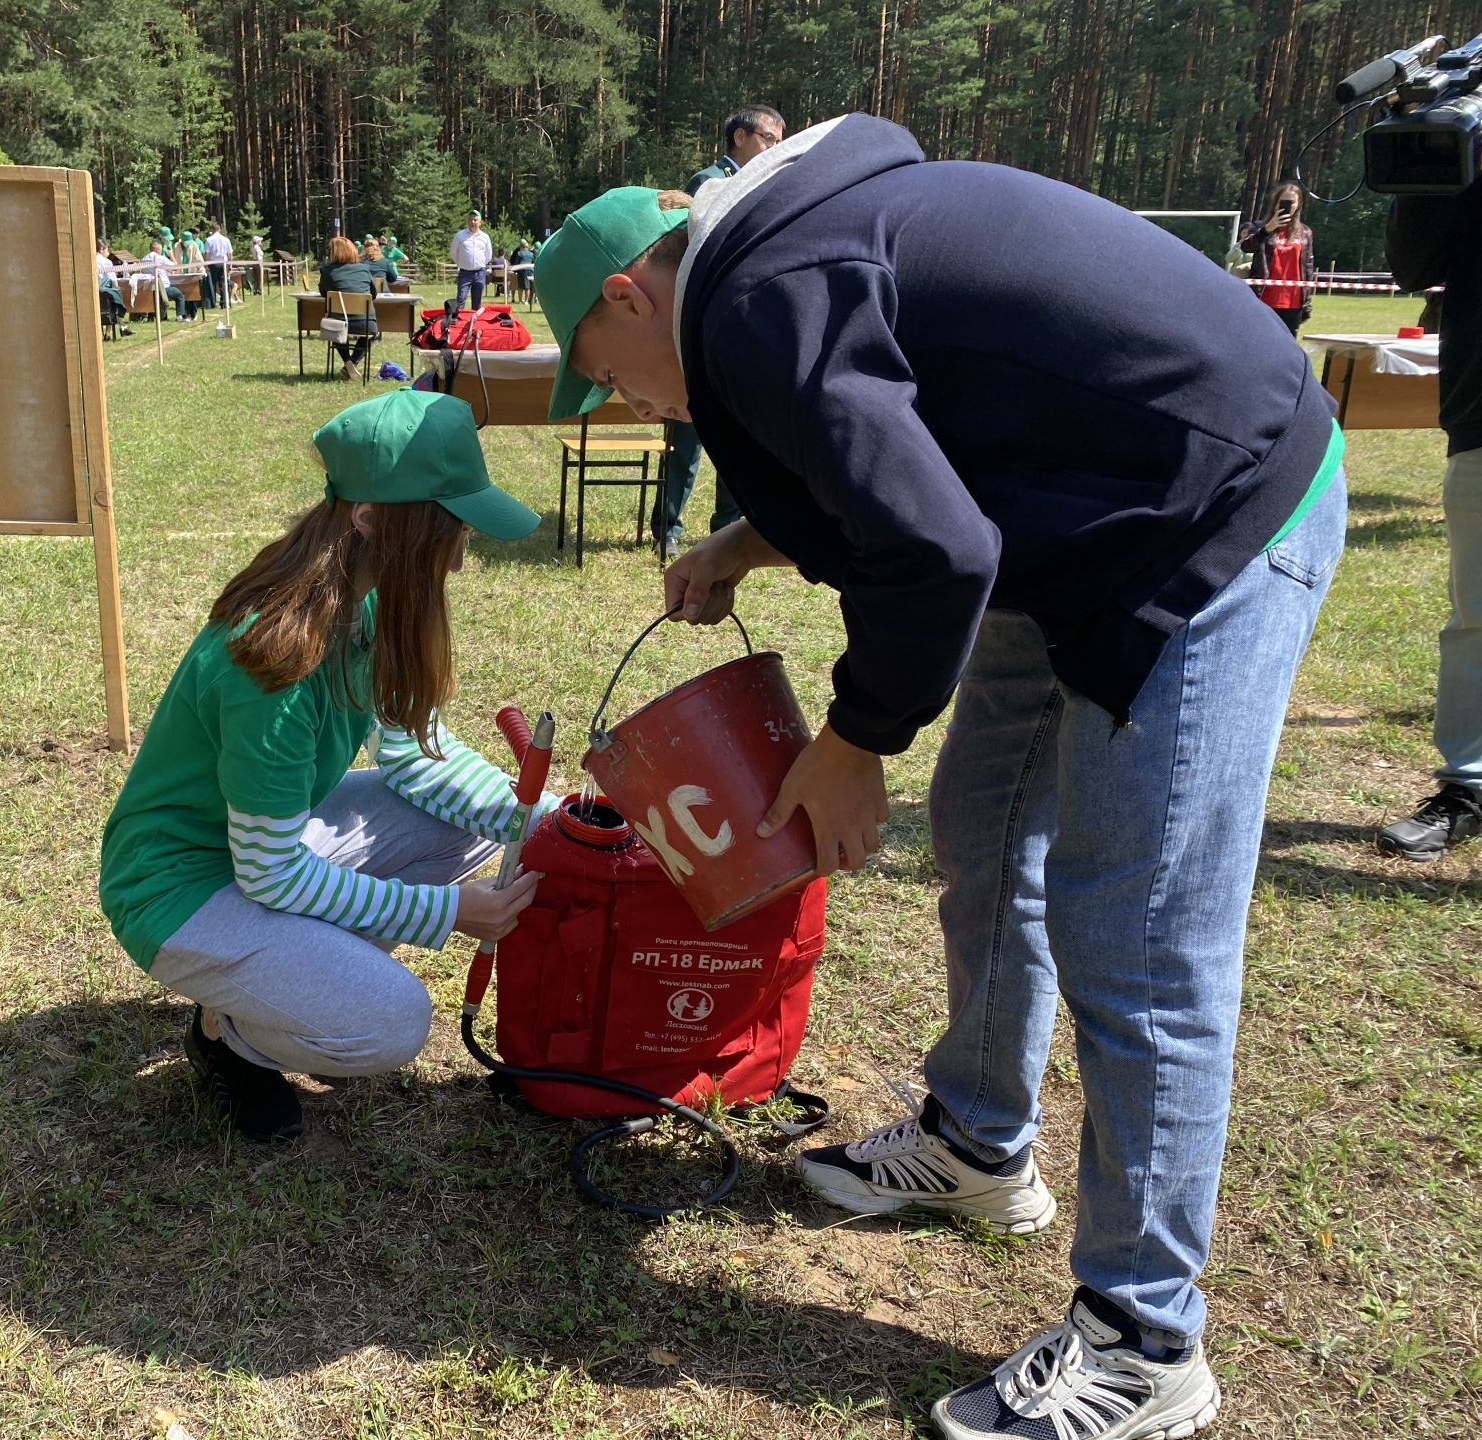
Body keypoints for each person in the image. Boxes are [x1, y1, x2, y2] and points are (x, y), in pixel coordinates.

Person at [535, 115, 1345, 1440]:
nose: (627, 405)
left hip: (1209, 507)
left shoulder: (752, 305)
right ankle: (979, 1147)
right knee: (984, 832)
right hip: (1079, 521)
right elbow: (903, 431)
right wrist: (749, 538)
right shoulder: (779, 256)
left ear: (632, 294)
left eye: (607, 376)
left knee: (1135, 935)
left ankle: (1146, 1341)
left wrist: (852, 747)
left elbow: (933, 551)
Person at [100, 389, 543, 1142]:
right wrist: (448, 913)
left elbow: (416, 755)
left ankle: (296, 985)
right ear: (370, 519)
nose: (464, 549)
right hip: (179, 888)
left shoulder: (367, 602)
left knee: (474, 821)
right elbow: (270, 874)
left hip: (260, 852)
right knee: (392, 1023)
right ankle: (227, 1037)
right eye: (450, 524)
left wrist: (548, 818)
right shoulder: (273, 659)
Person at [1377, 178, 1482, 859]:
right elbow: (1414, 265)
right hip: (1481, 421)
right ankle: (1468, 788)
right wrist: (1427, 164)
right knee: (1475, 618)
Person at [654, 103, 786, 561]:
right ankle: (667, 527)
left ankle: (727, 529)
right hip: (702, 330)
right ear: (739, 137)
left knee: (738, 442)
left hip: (744, 331)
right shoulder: (709, 182)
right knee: (687, 439)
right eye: (769, 137)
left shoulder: (768, 184)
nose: (776, 147)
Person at [1238, 181, 1316, 338]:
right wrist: (1267, 229)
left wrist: (1306, 303)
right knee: (1260, 341)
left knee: (1288, 347)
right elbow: (1246, 247)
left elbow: (1308, 268)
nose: (1287, 206)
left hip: (1293, 302)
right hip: (1264, 298)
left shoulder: (1305, 232)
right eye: (1283, 202)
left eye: (1291, 203)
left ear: (1298, 204)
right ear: (1275, 203)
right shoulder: (1261, 228)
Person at [319, 235, 380, 380]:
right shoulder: (364, 269)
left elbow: (324, 293)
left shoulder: (327, 270)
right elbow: (374, 294)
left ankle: (348, 362)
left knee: (332, 326)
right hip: (366, 323)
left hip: (339, 322)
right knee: (371, 333)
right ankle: (353, 362)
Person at [449, 208, 494, 311]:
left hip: (479, 273)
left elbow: (488, 255)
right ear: (467, 221)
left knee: (477, 301)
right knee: (461, 298)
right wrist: (461, 263)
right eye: (470, 220)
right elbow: (453, 253)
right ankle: (459, 322)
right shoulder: (460, 235)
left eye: (475, 220)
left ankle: (474, 324)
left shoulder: (485, 237)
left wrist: (481, 264)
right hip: (464, 272)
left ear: (480, 222)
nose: (472, 222)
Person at [142, 238, 191, 321]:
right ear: (157, 249)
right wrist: (171, 255)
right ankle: (180, 316)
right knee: (180, 295)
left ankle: (157, 316)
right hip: (163, 287)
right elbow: (175, 268)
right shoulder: (161, 258)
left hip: (150, 288)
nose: (161, 252)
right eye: (161, 250)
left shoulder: (143, 260)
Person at [95, 242, 133, 337]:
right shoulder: (106, 262)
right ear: (102, 249)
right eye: (107, 250)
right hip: (104, 291)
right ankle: (116, 329)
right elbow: (113, 280)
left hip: (93, 291)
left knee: (112, 299)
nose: (107, 253)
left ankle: (121, 327)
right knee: (114, 300)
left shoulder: (88, 260)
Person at [205, 222, 235, 307]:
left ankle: (212, 303)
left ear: (212, 229)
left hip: (213, 263)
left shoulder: (208, 240)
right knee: (223, 283)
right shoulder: (226, 239)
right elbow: (230, 254)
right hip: (223, 263)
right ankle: (224, 302)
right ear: (219, 229)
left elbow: (207, 254)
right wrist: (230, 265)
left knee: (212, 284)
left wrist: (206, 265)